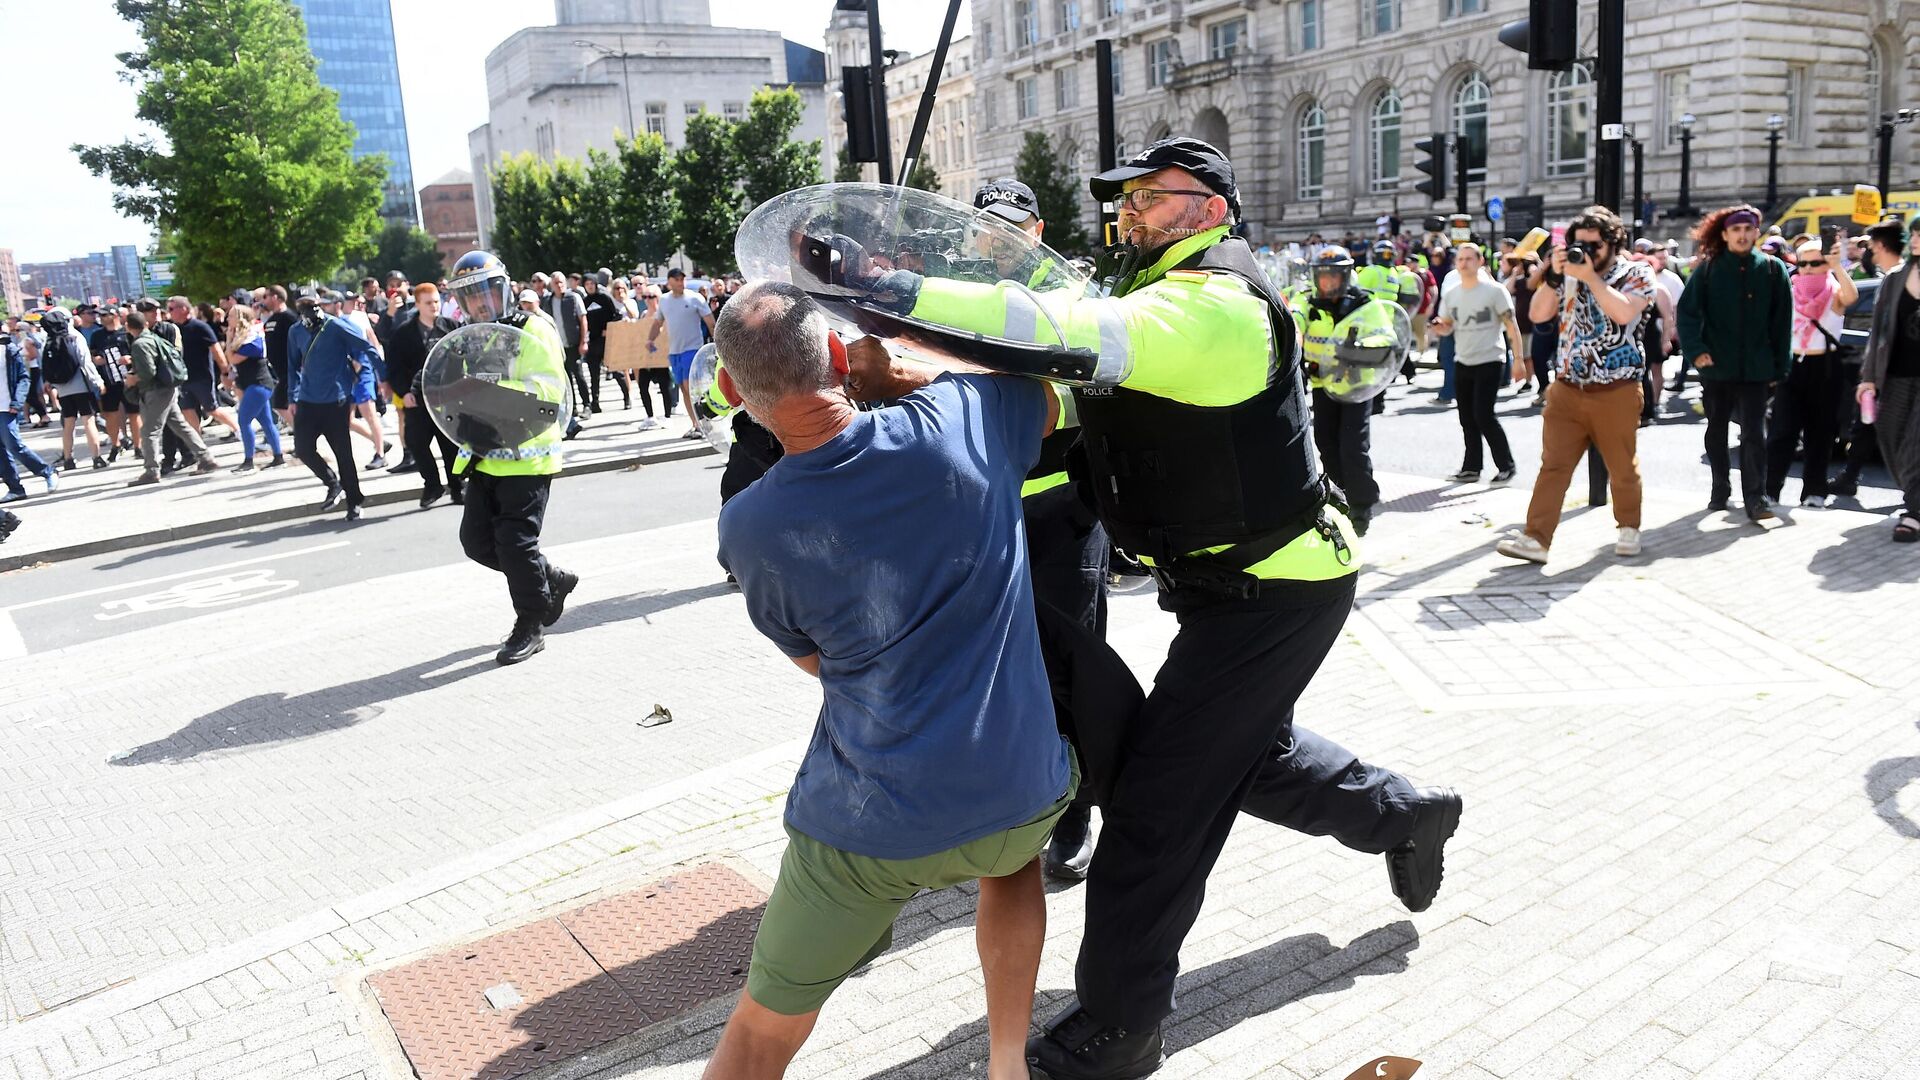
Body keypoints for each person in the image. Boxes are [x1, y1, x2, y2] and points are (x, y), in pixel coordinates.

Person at [852, 137, 1461, 1078]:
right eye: (1125, 199)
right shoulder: (1152, 293)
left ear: (1211, 206)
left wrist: (892, 288)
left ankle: (1121, 1026)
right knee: (1233, 757)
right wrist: (931, 395)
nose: (1129, 210)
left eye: (1151, 196)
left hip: (1276, 591)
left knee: (1155, 806)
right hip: (1234, 588)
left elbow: (1063, 332)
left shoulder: (1212, 303)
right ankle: (1403, 811)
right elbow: (1081, 398)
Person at [704, 281, 1076, 1080]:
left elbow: (817, 665)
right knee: (1010, 866)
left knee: (761, 1030)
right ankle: (1007, 1061)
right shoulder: (965, 419)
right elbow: (1046, 397)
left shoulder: (750, 525)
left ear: (734, 390)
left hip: (867, 826)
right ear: (840, 355)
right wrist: (904, 373)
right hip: (1016, 788)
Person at [974, 175, 1111, 880]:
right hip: (987, 514)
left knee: (1070, 671)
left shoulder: (1073, 298)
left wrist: (1031, 400)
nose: (997, 240)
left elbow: (1099, 391)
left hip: (1062, 511)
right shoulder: (958, 295)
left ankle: (1079, 812)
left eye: (1011, 226)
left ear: (1038, 229)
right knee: (998, 670)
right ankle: (1018, 798)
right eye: (986, 226)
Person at [1498, 204, 1656, 564]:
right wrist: (1554, 277)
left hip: (1616, 388)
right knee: (1553, 465)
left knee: (1621, 465)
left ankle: (1628, 527)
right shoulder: (1567, 273)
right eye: (1578, 244)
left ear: (1614, 243)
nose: (1585, 252)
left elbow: (1624, 313)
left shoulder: (1637, 273)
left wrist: (1590, 278)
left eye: (1594, 245)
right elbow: (1537, 315)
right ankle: (1536, 539)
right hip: (1568, 387)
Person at [444, 250, 578, 664]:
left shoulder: (533, 327)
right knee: (476, 542)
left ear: (505, 289)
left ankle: (531, 623)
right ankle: (550, 579)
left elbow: (548, 391)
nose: (481, 303)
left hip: (528, 454)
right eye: (470, 297)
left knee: (516, 544)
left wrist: (491, 399)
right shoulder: (470, 337)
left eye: (487, 292)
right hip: (485, 453)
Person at [1677, 205, 1794, 523]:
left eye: (1748, 230)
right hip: (1716, 367)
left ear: (1757, 233)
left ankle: (1756, 498)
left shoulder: (1773, 270)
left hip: (1757, 370)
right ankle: (1720, 490)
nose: (1742, 235)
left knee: (1755, 434)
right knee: (1716, 430)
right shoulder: (1709, 268)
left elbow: (1784, 323)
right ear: (1726, 234)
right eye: (1736, 230)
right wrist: (1696, 351)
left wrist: (1780, 366)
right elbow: (1686, 313)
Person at [1299, 248, 1395, 534]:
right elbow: (1295, 315)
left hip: (1357, 386)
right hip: (1322, 385)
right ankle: (1338, 495)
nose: (1326, 283)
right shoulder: (1309, 302)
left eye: (1332, 277)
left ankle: (1362, 505)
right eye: (1322, 277)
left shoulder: (1365, 305)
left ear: (1344, 276)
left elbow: (1386, 341)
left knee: (1353, 446)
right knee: (1325, 442)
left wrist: (1357, 350)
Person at [1766, 238, 1857, 508]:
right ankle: (1770, 490)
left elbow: (1851, 297)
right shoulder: (1790, 291)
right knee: (1782, 433)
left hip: (1825, 367)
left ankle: (1814, 492)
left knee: (1821, 434)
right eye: (1802, 263)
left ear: (1826, 264)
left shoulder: (1834, 291)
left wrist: (1837, 266)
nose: (1806, 268)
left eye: (1815, 263)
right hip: (1793, 366)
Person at [1431, 243, 1525, 484]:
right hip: (1463, 360)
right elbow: (1448, 325)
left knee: (1483, 415)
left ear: (1480, 261)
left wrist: (1519, 361)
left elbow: (1511, 326)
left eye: (1469, 259)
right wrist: (1441, 328)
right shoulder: (1451, 294)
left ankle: (1506, 465)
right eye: (1460, 259)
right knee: (1466, 417)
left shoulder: (1494, 291)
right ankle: (1471, 468)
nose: (1464, 263)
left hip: (1490, 359)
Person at [287, 289, 380, 520]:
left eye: (311, 303)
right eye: (302, 304)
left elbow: (365, 346)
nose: (307, 308)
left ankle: (354, 500)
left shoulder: (334, 326)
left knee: (343, 454)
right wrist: (292, 396)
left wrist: (380, 376)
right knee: (303, 448)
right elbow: (291, 365)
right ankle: (332, 483)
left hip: (335, 401)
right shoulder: (295, 331)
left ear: (320, 304)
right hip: (307, 400)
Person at [1856, 219, 1920, 542]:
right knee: (1889, 434)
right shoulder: (1896, 278)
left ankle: (1914, 512)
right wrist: (1868, 378)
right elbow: (1878, 332)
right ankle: (1913, 494)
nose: (1918, 240)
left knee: (1915, 443)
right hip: (1894, 375)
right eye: (1916, 233)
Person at [383, 281, 463, 508]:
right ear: (417, 304)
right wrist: (404, 392)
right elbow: (395, 367)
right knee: (416, 443)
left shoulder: (451, 327)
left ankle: (457, 488)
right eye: (428, 303)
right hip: (418, 398)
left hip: (448, 396)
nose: (434, 306)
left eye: (437, 301)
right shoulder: (403, 334)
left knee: (450, 446)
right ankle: (433, 486)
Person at [123, 310, 219, 485]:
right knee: (180, 425)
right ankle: (205, 458)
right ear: (145, 324)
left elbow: (148, 372)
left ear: (128, 327)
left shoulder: (140, 344)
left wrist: (132, 379)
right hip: (168, 388)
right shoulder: (154, 338)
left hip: (155, 391)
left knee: (149, 431)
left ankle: (151, 471)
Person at [648, 268, 717, 439]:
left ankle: (704, 422)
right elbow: (658, 322)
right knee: (684, 390)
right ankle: (696, 424)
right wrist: (650, 340)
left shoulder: (695, 298)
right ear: (669, 282)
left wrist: (718, 345)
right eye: (677, 279)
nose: (681, 282)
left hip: (692, 349)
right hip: (675, 352)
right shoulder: (664, 300)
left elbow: (710, 322)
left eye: (682, 279)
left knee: (690, 386)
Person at [38, 308, 108, 471]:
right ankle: (96, 457)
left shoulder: (49, 340)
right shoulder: (75, 337)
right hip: (81, 385)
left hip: (63, 389)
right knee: (88, 420)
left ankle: (68, 459)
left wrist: (49, 382)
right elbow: (85, 362)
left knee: (68, 424)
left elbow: (46, 365)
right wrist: (97, 381)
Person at [225, 306, 284, 472]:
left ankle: (248, 461)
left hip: (259, 384)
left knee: (243, 421)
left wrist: (229, 339)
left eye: (230, 316)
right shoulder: (243, 337)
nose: (227, 320)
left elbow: (233, 359)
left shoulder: (253, 338)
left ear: (240, 318)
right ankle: (278, 457)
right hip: (253, 384)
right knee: (266, 421)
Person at [2, 329, 58, 501]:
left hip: (6, 406)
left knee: (14, 445)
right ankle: (15, 487)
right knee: (1, 453)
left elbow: (23, 377)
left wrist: (17, 402)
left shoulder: (9, 350)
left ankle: (47, 471)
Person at [90, 307, 135, 464]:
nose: (101, 318)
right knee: (110, 414)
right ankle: (116, 445)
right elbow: (93, 353)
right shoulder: (98, 335)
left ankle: (139, 445)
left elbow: (136, 351)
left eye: (104, 315)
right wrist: (96, 359)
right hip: (108, 380)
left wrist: (130, 358)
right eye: (100, 315)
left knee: (134, 413)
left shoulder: (126, 333)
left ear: (115, 315)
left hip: (128, 379)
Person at [545, 268, 591, 416]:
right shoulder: (548, 301)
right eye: (556, 283)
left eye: (561, 282)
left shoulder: (573, 298)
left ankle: (587, 405)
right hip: (558, 347)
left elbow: (583, 319)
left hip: (573, 343)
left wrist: (584, 341)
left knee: (579, 375)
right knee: (566, 379)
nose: (559, 285)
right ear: (551, 285)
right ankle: (573, 408)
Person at [581, 273, 625, 413]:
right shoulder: (584, 302)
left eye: (592, 284)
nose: (590, 287)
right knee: (594, 374)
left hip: (606, 341)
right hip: (592, 342)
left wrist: (608, 328)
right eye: (587, 284)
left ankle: (627, 396)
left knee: (616, 370)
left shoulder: (604, 298)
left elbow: (616, 315)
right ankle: (595, 402)